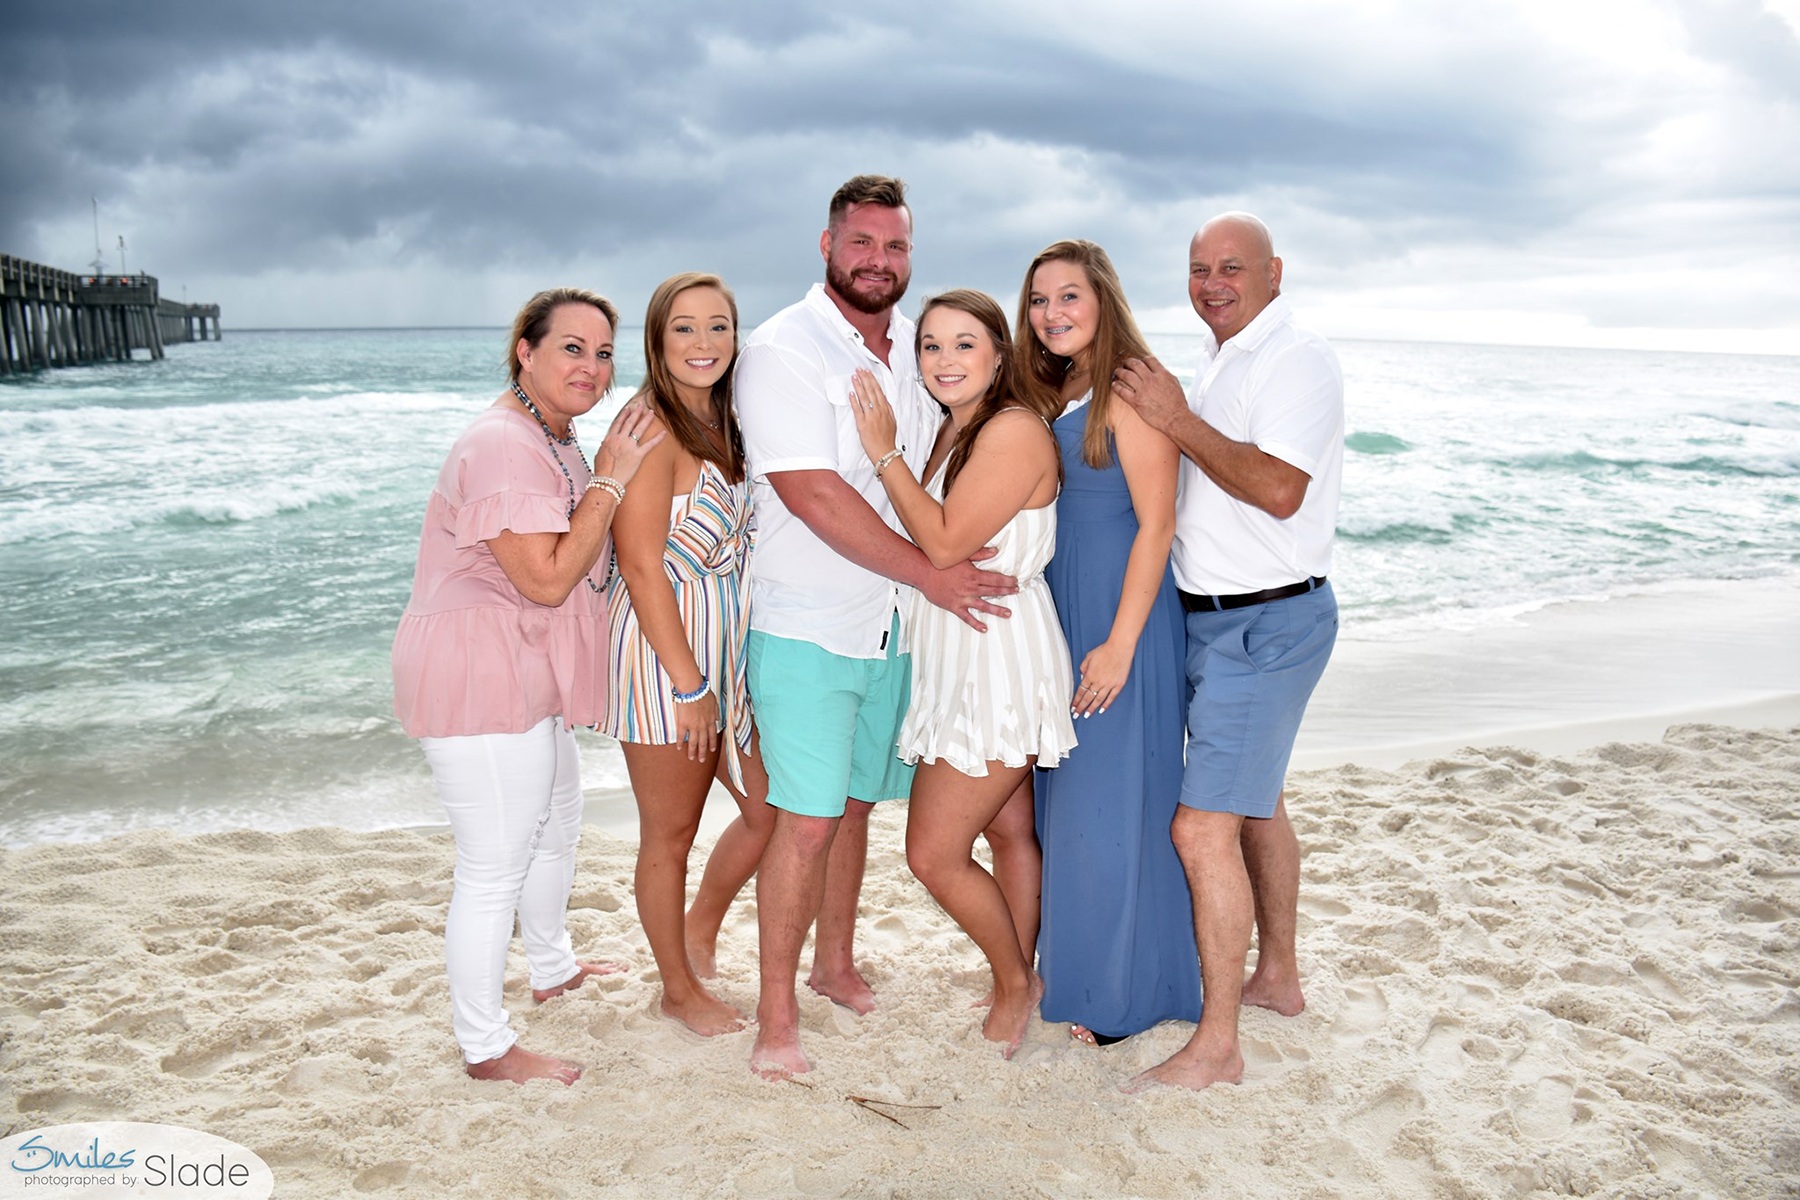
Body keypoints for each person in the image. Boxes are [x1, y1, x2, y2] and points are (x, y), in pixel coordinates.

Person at [734, 174, 1019, 1079]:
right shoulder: (783, 348)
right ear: (827, 246)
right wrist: (933, 574)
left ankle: (834, 964)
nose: (878, 261)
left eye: (895, 246)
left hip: (891, 625)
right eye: (862, 243)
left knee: (854, 806)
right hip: (807, 627)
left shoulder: (910, 348)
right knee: (806, 823)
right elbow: (812, 495)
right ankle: (775, 1020)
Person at [391, 288, 663, 1085]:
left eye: (604, 351)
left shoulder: (555, 438)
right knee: (494, 862)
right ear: (526, 351)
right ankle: (486, 1048)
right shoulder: (503, 444)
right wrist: (611, 482)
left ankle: (552, 967)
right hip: (481, 672)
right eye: (571, 347)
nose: (591, 365)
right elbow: (546, 580)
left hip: (522, 664)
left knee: (556, 823)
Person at [1112, 212, 1343, 1091]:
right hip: (1211, 620)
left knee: (1200, 826)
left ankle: (1217, 1045)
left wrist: (1175, 418)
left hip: (1265, 624)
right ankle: (1276, 976)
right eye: (1200, 268)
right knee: (1255, 805)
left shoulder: (1296, 358)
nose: (1213, 282)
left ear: (1274, 273)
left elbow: (1279, 489)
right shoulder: (1224, 358)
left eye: (1233, 267)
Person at [847, 288, 1074, 1058]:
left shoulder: (1011, 431)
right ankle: (1014, 969)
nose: (944, 360)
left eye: (964, 344)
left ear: (1001, 355)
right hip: (958, 651)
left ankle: (1018, 984)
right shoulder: (958, 430)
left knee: (933, 854)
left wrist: (881, 451)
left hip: (996, 659)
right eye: (931, 346)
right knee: (1009, 831)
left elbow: (942, 544)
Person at [1016, 240, 1203, 1046]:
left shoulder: (1132, 387)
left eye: (1068, 297)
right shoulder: (1063, 387)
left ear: (1103, 300)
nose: (1053, 313)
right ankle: (1087, 968)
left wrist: (1122, 642)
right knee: (1073, 805)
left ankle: (1124, 997)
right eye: (1038, 300)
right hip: (1066, 612)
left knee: (1115, 801)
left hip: (1121, 620)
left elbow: (1158, 523)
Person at [602, 272, 774, 1037]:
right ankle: (676, 988)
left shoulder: (724, 422)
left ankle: (700, 926)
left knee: (768, 809)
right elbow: (639, 564)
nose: (703, 344)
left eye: (718, 327)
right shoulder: (649, 427)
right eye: (684, 328)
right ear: (657, 339)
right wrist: (689, 684)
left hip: (726, 648)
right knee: (669, 834)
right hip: (665, 654)